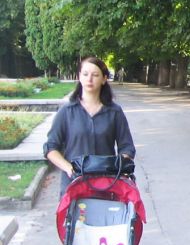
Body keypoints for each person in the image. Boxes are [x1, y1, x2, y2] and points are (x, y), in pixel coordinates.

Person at [44, 56, 136, 195]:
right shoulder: (67, 111)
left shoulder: (115, 112)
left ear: (104, 79)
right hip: (74, 185)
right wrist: (69, 168)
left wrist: (117, 167)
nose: (89, 79)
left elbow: (127, 148)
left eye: (95, 75)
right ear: (79, 77)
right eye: (85, 74)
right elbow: (51, 147)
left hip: (106, 185)